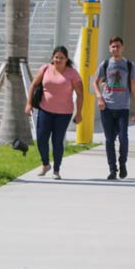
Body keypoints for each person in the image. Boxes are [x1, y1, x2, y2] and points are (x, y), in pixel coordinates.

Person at [25, 46, 83, 179]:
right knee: (41, 139)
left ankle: (56, 169)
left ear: (66, 59)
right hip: (45, 110)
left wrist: (79, 112)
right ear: (52, 57)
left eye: (61, 57)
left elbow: (80, 93)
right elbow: (33, 85)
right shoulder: (45, 69)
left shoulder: (72, 73)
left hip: (64, 113)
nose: (58, 60)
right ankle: (46, 164)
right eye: (56, 57)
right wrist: (29, 103)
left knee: (57, 141)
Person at [93, 36, 135, 180]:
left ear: (123, 47)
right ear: (109, 48)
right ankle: (112, 169)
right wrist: (99, 97)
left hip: (123, 107)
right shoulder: (105, 64)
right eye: (113, 46)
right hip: (107, 107)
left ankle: (123, 163)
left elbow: (133, 86)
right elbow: (95, 83)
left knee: (123, 137)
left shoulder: (129, 65)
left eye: (118, 46)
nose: (115, 49)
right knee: (109, 140)